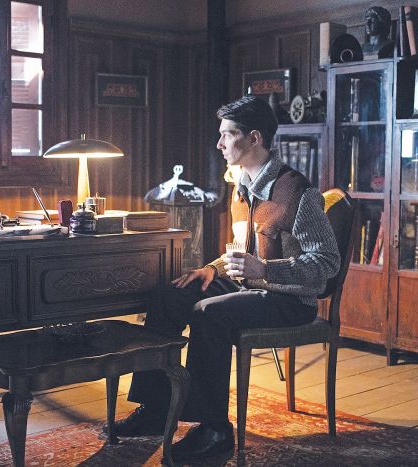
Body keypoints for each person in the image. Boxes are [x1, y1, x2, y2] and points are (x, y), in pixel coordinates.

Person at [112, 95, 341, 462]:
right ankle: (156, 408)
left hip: (288, 299)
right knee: (169, 296)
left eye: (227, 134)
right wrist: (213, 269)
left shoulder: (299, 193)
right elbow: (241, 252)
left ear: (254, 138)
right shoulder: (241, 185)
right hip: (248, 285)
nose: (219, 144)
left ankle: (215, 429)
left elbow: (327, 264)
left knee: (208, 313)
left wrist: (266, 270)